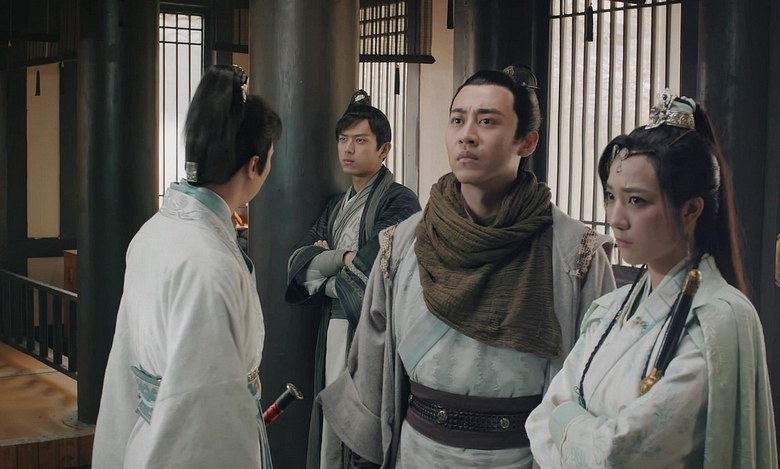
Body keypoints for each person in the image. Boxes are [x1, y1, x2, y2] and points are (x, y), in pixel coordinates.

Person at [317, 67, 615, 468]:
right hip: (420, 451)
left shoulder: (574, 253)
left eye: (487, 121)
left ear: (526, 141)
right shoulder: (403, 244)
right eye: (457, 120)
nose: (467, 135)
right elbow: (373, 365)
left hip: (525, 455)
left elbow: (597, 381)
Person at [525, 90, 778, 468]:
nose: (615, 218)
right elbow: (538, 421)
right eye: (610, 196)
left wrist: (564, 418)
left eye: (636, 200)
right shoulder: (609, 309)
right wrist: (578, 427)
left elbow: (617, 455)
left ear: (690, 209)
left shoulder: (717, 320)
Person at [92, 64, 282, 469]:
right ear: (254, 165)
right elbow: (205, 414)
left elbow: (125, 360)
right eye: (270, 159)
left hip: (146, 434)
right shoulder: (208, 263)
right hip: (182, 446)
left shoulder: (154, 231)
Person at [285, 91, 420, 469]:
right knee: (333, 418)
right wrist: (342, 258)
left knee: (364, 422)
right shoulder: (335, 205)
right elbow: (297, 261)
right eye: (343, 139)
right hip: (334, 326)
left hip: (374, 329)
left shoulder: (399, 201)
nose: (348, 149)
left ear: (384, 149)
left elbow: (378, 266)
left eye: (360, 140)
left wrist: (325, 270)